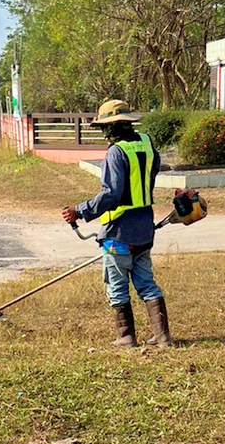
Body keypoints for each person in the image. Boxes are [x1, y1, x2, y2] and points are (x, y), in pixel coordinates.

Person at [61, 99, 172, 347]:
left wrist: (79, 211)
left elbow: (111, 195)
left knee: (117, 285)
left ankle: (126, 337)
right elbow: (151, 175)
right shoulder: (146, 143)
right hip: (144, 230)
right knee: (146, 283)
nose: (103, 133)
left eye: (104, 128)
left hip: (118, 234)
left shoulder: (116, 152)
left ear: (111, 127)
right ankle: (163, 337)